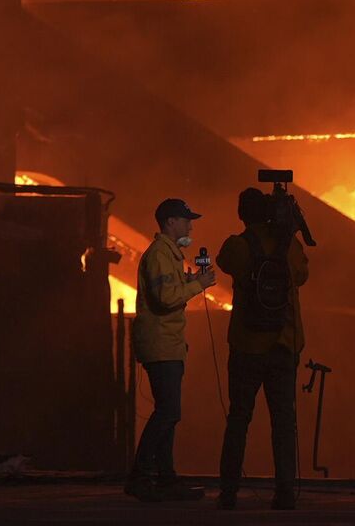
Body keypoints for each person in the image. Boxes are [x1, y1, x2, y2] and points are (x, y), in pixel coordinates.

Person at [215, 187, 310, 510]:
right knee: (283, 421)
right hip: (283, 346)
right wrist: (285, 232)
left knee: (239, 417)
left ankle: (228, 492)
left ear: (242, 214)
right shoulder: (289, 247)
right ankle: (284, 492)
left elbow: (222, 262)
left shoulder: (238, 246)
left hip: (246, 346)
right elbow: (303, 275)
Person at [124, 198, 216, 502]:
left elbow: (168, 294)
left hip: (168, 344)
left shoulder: (169, 256)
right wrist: (197, 285)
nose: (190, 225)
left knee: (168, 413)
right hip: (162, 345)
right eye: (186, 219)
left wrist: (187, 282)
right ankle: (141, 476)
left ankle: (165, 479)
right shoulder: (161, 256)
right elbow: (165, 298)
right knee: (168, 412)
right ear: (170, 222)